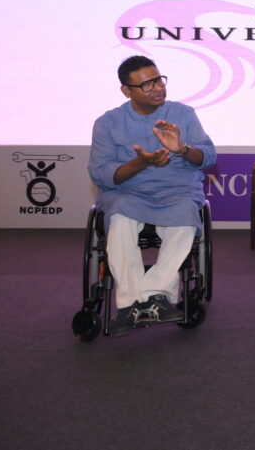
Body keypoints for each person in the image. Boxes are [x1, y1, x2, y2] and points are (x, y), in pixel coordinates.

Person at [88, 55, 217, 335]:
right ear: (126, 90)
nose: (158, 88)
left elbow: (208, 156)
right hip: (128, 192)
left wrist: (182, 148)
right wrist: (140, 163)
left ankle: (154, 295)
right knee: (120, 217)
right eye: (147, 85)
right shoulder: (108, 123)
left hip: (177, 190)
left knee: (186, 212)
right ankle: (131, 303)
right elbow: (100, 173)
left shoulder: (183, 114)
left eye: (159, 80)